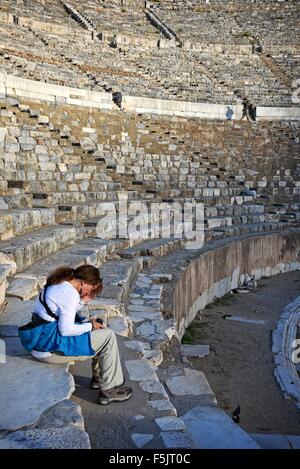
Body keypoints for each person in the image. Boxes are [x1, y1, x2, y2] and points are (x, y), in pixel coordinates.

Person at [18, 265, 132, 405]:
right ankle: (109, 389)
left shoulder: (58, 284)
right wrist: (90, 326)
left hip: (42, 341)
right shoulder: (69, 293)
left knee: (97, 331)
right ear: (84, 283)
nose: (91, 294)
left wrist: (84, 303)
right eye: (91, 290)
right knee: (108, 336)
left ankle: (99, 378)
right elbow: (66, 330)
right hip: (49, 350)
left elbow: (63, 312)